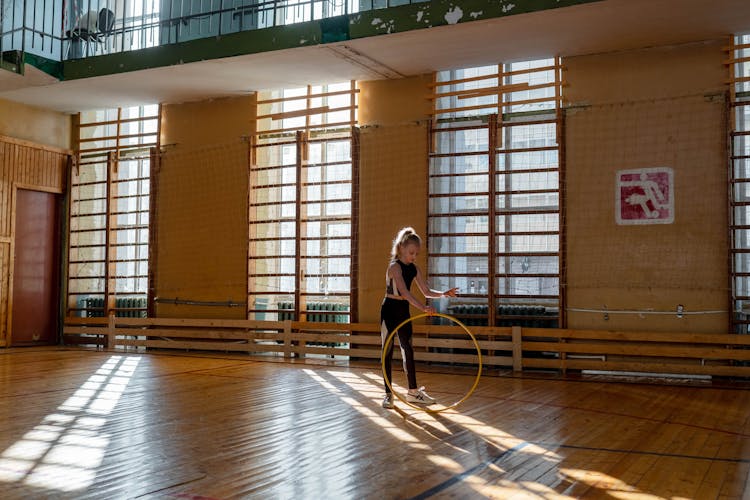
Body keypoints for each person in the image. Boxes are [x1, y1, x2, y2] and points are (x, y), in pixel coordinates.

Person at [381, 227, 458, 409]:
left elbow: (426, 291)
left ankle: (413, 392)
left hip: (403, 310)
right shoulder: (394, 267)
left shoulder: (414, 269)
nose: (414, 257)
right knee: (387, 351)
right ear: (401, 248)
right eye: (411, 253)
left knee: (408, 349)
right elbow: (405, 292)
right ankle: (388, 394)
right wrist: (422, 307)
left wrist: (443, 294)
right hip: (389, 309)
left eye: (416, 253)